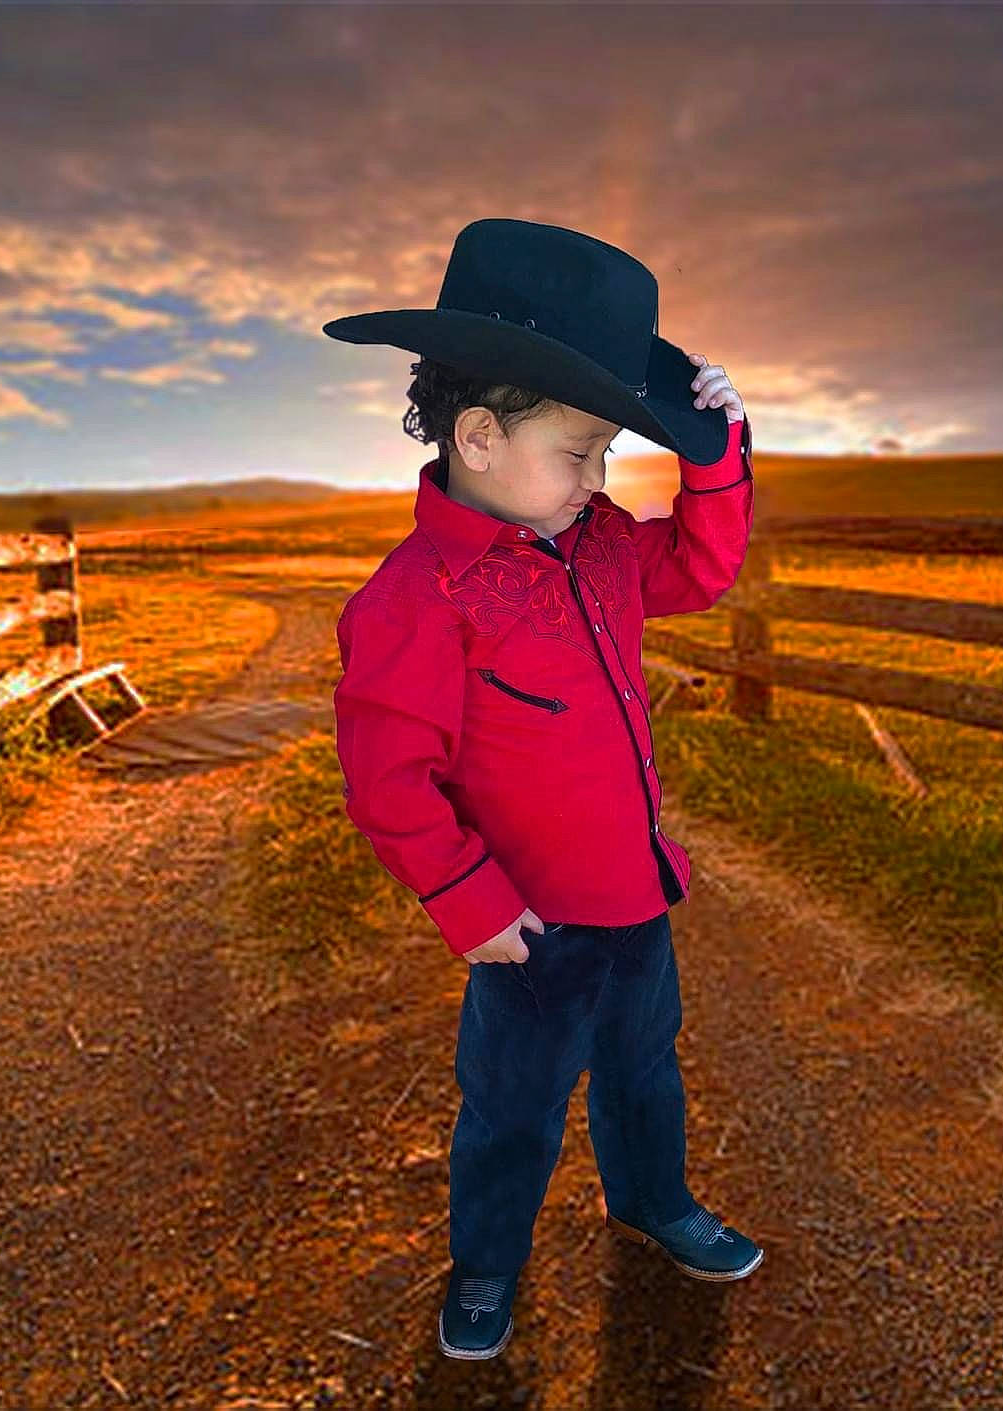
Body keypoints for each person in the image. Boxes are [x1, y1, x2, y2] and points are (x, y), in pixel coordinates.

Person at [325, 219, 762, 1361]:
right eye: (577, 455)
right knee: (511, 1109)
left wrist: (712, 452)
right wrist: (469, 904)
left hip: (632, 901)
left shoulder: (606, 545)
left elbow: (704, 567)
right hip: (523, 924)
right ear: (479, 437)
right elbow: (388, 779)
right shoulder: (413, 597)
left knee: (641, 1074)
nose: (595, 481)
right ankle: (485, 1265)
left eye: (606, 457)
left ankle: (653, 1202)